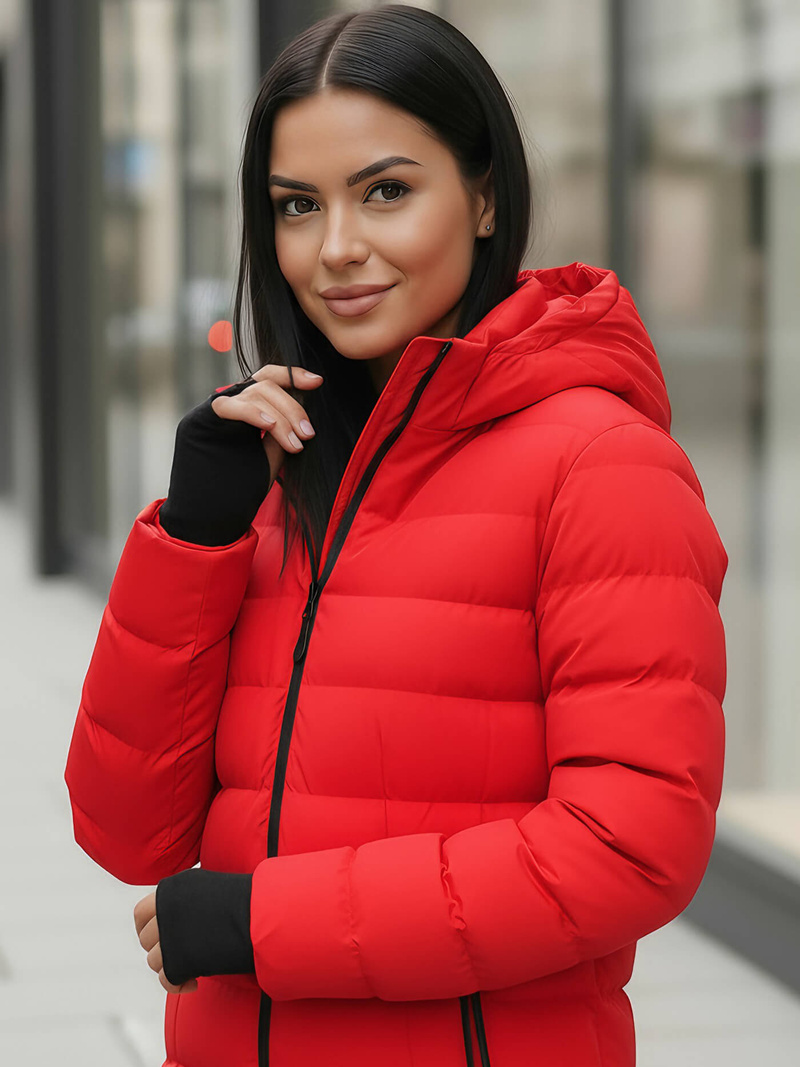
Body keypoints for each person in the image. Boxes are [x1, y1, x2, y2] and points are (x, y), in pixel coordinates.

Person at [64, 6, 729, 1067]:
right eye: (295, 205)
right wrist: (191, 536)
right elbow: (124, 829)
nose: (334, 249)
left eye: (384, 191)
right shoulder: (278, 469)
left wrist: (258, 922)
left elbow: (629, 846)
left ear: (481, 198)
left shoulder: (599, 464)